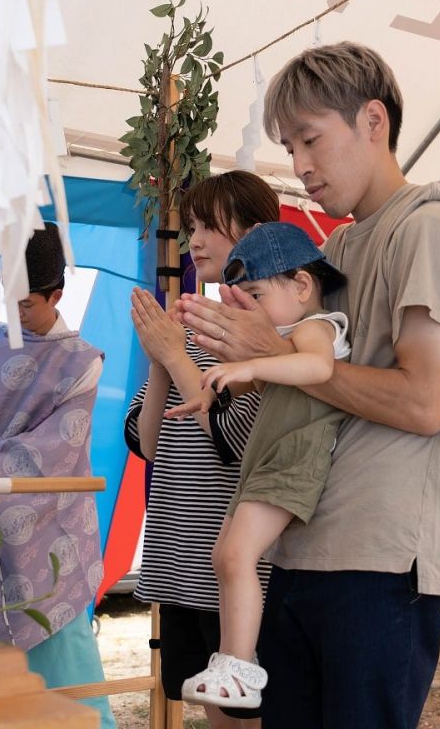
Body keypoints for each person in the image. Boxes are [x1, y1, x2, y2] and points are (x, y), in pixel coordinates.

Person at [178, 41, 440, 728]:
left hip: (380, 564)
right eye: (289, 147)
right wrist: (238, 362)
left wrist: (269, 350)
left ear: (373, 121)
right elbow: (301, 385)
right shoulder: (338, 251)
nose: (299, 166)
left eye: (311, 140)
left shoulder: (430, 228)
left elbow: (421, 402)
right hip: (302, 552)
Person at [0, 224, 116, 728]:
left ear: (57, 294)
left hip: (46, 525)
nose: (17, 313)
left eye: (27, 304)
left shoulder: (82, 363)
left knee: (60, 659)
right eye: (9, 300)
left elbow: (56, 445)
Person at [163, 222, 350, 709]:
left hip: (293, 460)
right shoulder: (282, 340)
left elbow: (318, 370)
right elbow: (256, 384)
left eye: (256, 295)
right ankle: (232, 660)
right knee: (225, 554)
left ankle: (240, 666)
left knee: (237, 554)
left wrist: (251, 365)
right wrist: (208, 390)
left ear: (302, 286)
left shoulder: (315, 327)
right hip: (266, 459)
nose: (249, 311)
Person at [124, 170, 280, 729]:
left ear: (254, 229)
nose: (194, 239)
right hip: (181, 563)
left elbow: (236, 442)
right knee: (216, 713)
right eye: (191, 226)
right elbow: (148, 444)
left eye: (208, 224)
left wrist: (178, 356)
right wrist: (162, 357)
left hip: (240, 577)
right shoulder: (189, 329)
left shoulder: (271, 335)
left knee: (242, 714)